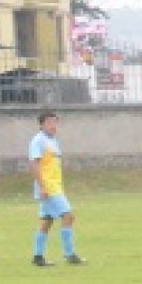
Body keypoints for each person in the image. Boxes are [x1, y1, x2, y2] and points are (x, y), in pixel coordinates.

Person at [28, 111, 84, 266]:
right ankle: (69, 254)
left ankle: (38, 257)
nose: (53, 125)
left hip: (55, 185)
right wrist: (42, 186)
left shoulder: (53, 141)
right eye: (49, 122)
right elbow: (33, 164)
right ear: (41, 125)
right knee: (68, 216)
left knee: (47, 220)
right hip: (48, 187)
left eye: (55, 122)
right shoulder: (38, 141)